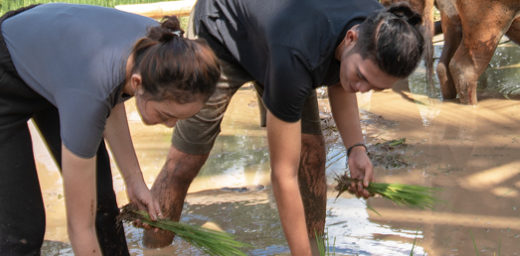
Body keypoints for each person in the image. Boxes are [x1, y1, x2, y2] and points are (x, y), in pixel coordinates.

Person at [143, 0, 428, 254]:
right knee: (184, 161)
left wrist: (356, 149)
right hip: (222, 33)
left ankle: (316, 249)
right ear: (351, 37)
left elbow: (342, 81)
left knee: (312, 154)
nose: (361, 89)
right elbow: (283, 175)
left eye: (374, 87)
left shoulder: (381, 26)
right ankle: (155, 249)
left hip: (279, 40)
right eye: (362, 77)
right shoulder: (298, 52)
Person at [0, 3, 220, 256]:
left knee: (102, 205)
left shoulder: (163, 49)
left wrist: (134, 180)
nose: (171, 125)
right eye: (166, 115)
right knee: (24, 229)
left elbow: (112, 94)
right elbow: (79, 229)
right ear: (138, 82)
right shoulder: (93, 91)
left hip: (63, 67)